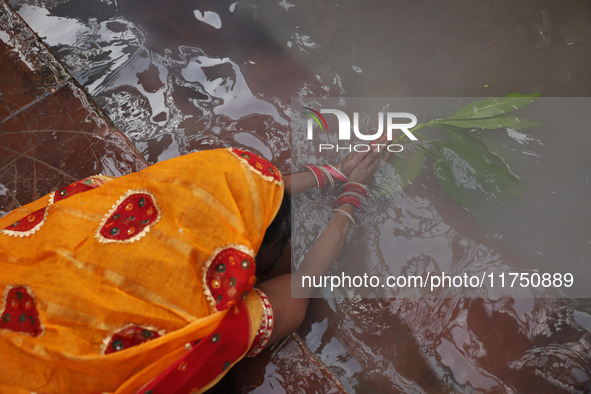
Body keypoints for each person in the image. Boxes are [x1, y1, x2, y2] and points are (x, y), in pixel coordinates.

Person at [0, 143, 386, 393]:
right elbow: (301, 286)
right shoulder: (206, 327)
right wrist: (348, 204)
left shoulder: (96, 209)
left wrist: (332, 174)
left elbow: (196, 187)